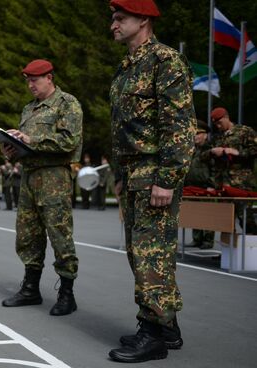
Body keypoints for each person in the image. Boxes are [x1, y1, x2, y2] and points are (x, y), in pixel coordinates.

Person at [108, 0, 196, 363]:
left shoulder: (165, 60)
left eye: (120, 18)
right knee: (140, 253)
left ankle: (153, 334)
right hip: (131, 174)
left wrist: (167, 178)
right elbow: (121, 128)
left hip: (152, 174)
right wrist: (117, 175)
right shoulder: (127, 67)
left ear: (143, 19)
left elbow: (180, 126)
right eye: (112, 19)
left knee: (150, 255)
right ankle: (167, 327)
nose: (112, 25)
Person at [0, 58, 83, 317]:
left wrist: (30, 139)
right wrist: (10, 149)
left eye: (34, 80)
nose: (30, 85)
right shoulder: (29, 109)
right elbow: (26, 148)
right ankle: (30, 289)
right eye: (27, 80)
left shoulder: (67, 103)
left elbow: (69, 141)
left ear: (49, 77)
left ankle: (66, 294)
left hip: (54, 179)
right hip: (29, 178)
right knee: (27, 236)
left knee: (59, 235)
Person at [209, 107, 257, 233]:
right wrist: (213, 152)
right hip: (223, 183)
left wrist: (236, 152)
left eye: (220, 123)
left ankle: (250, 251)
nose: (218, 126)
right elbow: (205, 155)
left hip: (241, 184)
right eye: (216, 124)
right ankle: (227, 252)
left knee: (247, 219)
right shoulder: (217, 137)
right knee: (225, 221)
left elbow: (254, 150)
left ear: (226, 117)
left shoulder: (245, 131)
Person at [184, 120, 217, 248]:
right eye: (194, 133)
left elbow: (215, 169)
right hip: (192, 187)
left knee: (208, 213)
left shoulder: (210, 149)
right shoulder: (191, 150)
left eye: (198, 133)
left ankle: (208, 240)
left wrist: (212, 185)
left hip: (206, 187)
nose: (196, 136)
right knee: (195, 213)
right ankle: (197, 238)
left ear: (205, 135)